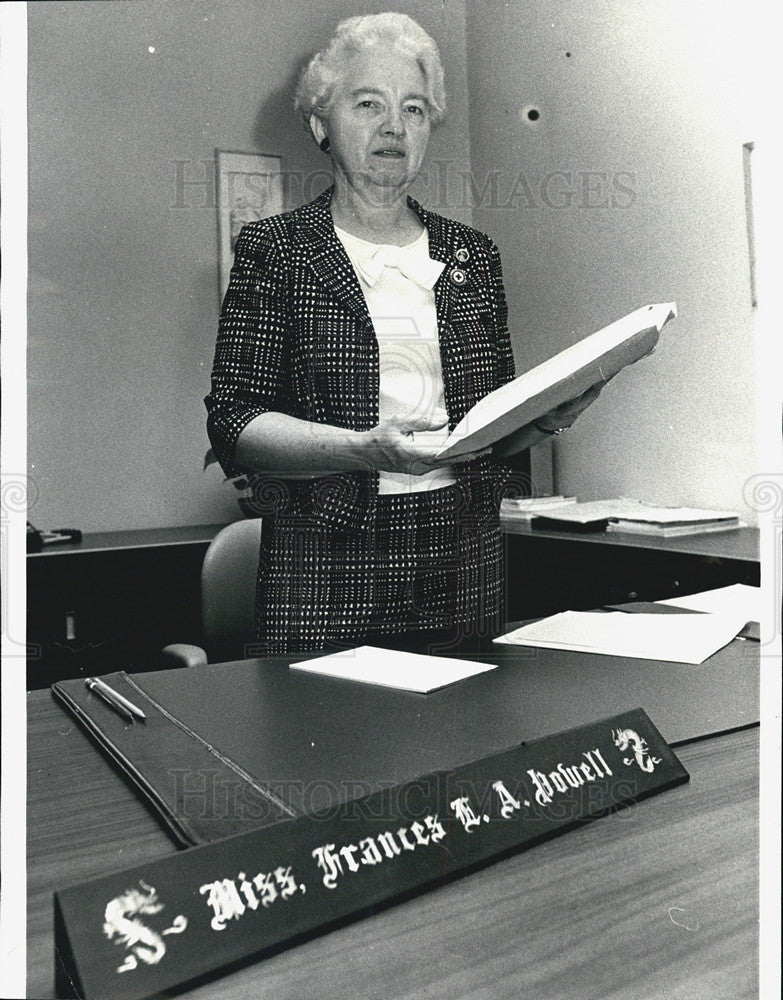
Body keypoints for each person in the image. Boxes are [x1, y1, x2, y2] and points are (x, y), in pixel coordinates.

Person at [205, 12, 602, 655]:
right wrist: (367, 448)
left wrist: (548, 417)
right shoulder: (275, 250)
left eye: (415, 110)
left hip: (463, 556)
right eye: (369, 104)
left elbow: (491, 427)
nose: (394, 126)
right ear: (320, 125)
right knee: (330, 745)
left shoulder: (474, 256)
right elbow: (233, 422)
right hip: (326, 562)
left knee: (466, 739)